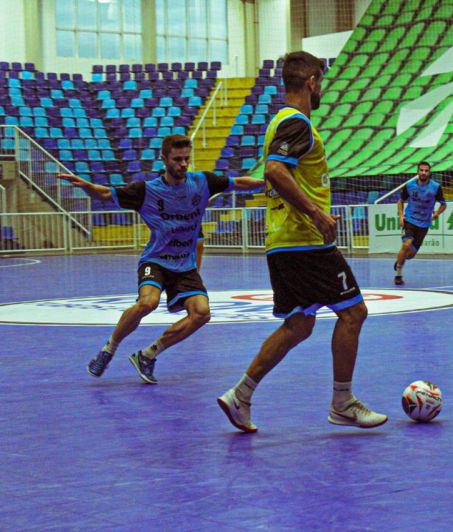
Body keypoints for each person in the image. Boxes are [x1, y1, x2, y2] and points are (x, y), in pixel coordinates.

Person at [217, 51, 387, 433]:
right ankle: (342, 403)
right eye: (320, 82)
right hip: (305, 241)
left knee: (299, 325)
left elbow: (276, 170)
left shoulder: (278, 122)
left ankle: (240, 395)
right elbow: (275, 170)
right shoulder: (297, 123)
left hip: (282, 241)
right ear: (311, 82)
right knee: (353, 313)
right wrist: (316, 213)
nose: (321, 89)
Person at [58, 134, 264, 383]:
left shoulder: (202, 182)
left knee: (202, 313)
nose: (183, 164)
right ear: (164, 159)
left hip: (184, 266)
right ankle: (108, 349)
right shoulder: (146, 191)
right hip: (156, 260)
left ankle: (148, 355)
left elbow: (239, 182)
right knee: (148, 303)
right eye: (177, 159)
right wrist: (85, 185)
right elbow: (104, 194)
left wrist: (267, 182)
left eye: (187, 158)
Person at [393, 161, 447, 285]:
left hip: (424, 224)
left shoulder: (435, 187)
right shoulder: (409, 186)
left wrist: (437, 213)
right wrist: (401, 216)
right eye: (421, 170)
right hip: (410, 220)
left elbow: (443, 205)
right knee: (406, 244)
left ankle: (400, 260)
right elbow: (400, 201)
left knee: (410, 255)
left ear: (429, 173)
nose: (423, 172)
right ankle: (398, 275)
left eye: (426, 171)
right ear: (417, 172)